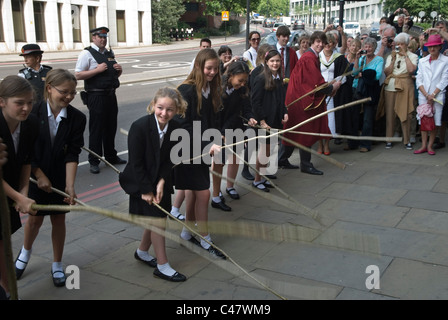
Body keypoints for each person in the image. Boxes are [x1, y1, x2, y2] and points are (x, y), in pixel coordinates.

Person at [14, 69, 86, 287]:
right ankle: (25, 253)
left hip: (58, 176)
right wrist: (38, 174)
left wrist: (70, 186)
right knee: (34, 218)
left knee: (58, 219)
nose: (69, 97)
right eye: (64, 92)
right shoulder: (31, 114)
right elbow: (24, 151)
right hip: (33, 175)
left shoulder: (77, 118)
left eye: (73, 93)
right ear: (49, 88)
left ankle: (57, 264)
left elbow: (73, 153)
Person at [119, 87, 187, 282]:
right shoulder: (139, 127)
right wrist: (147, 190)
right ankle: (162, 265)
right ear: (153, 105)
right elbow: (136, 163)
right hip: (141, 181)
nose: (164, 113)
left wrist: (163, 181)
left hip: (160, 180)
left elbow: (170, 160)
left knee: (157, 217)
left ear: (177, 110)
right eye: (160, 108)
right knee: (158, 221)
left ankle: (142, 251)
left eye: (170, 110)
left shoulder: (175, 128)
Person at [175, 48, 225, 259]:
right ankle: (205, 237)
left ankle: (187, 231)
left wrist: (216, 136)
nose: (212, 73)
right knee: (202, 193)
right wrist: (207, 143)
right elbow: (181, 125)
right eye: (208, 68)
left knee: (195, 193)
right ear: (198, 67)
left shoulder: (208, 90)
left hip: (200, 149)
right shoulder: (186, 91)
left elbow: (210, 121)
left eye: (215, 69)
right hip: (186, 150)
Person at [0, 75, 39, 299]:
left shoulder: (30, 123)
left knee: (5, 242)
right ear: (1, 101)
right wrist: (18, 196)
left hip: (10, 189)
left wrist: (23, 192)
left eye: (30, 102)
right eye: (19, 103)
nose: (26, 108)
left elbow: (26, 160)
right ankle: (7, 291)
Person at [282, 31, 342, 175]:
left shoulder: (310, 57)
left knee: (294, 131)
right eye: (317, 42)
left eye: (322, 42)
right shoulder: (309, 58)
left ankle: (281, 159)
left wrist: (328, 86)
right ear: (312, 42)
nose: (320, 45)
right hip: (301, 101)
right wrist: (332, 87)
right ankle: (305, 164)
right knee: (304, 132)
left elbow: (313, 81)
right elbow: (316, 83)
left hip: (297, 99)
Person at [75, 27, 125, 175]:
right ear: (93, 38)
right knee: (96, 129)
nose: (103, 39)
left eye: (104, 37)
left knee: (111, 127)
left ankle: (111, 156)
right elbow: (78, 75)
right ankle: (94, 160)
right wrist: (96, 70)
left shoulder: (109, 53)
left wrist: (119, 70)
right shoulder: (86, 53)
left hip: (110, 95)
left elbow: (113, 75)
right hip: (96, 96)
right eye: (100, 37)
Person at [211, 61, 256, 210]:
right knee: (219, 162)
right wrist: (221, 133)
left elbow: (246, 107)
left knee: (235, 157)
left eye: (245, 81)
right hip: (220, 130)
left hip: (235, 127)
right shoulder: (218, 89)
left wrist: (250, 117)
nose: (243, 84)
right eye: (240, 80)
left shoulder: (242, 89)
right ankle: (216, 196)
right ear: (230, 76)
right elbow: (215, 116)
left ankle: (230, 186)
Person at [251, 49, 288, 191]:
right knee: (264, 151)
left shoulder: (278, 78)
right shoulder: (261, 78)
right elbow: (255, 102)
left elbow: (281, 99)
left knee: (270, 149)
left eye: (278, 61)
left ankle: (263, 177)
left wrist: (284, 112)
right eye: (272, 61)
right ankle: (257, 180)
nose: (275, 63)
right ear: (266, 62)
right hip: (265, 121)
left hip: (275, 120)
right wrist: (261, 121)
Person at [242, 43, 275, 181]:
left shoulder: (271, 72)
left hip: (266, 112)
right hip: (256, 113)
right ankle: (245, 169)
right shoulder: (257, 72)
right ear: (263, 57)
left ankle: (263, 169)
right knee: (253, 142)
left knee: (267, 143)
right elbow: (253, 96)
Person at [380, 32, 418, 150]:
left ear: (407, 45)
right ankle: (389, 139)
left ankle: (407, 140)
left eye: (402, 44)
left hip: (405, 85)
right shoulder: (391, 56)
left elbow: (411, 70)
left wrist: (405, 56)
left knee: (406, 113)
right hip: (391, 86)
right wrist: (393, 59)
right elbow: (387, 72)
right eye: (398, 44)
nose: (399, 46)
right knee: (390, 114)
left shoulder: (412, 56)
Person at [414, 34, 448, 155]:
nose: (432, 49)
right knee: (424, 120)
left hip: (437, 95)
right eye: (430, 47)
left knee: (435, 120)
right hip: (424, 95)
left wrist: (433, 94)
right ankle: (423, 145)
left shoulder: (445, 61)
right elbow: (419, 78)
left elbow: (444, 79)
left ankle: (430, 146)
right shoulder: (422, 61)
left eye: (435, 46)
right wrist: (426, 94)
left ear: (440, 46)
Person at [317, 32, 347, 155]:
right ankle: (319, 144)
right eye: (326, 42)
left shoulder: (339, 57)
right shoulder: (317, 57)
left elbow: (343, 75)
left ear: (334, 44)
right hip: (319, 91)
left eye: (330, 42)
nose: (328, 44)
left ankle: (327, 145)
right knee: (319, 118)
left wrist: (334, 85)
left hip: (333, 92)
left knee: (330, 119)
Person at [353, 37, 384, 152]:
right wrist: (356, 59)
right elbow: (354, 73)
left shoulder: (379, 59)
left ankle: (365, 144)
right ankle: (353, 142)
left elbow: (377, 75)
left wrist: (362, 74)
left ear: (374, 48)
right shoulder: (361, 59)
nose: (368, 49)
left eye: (370, 47)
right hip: (359, 90)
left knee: (368, 118)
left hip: (371, 91)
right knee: (356, 116)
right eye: (366, 47)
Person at [340, 38, 362, 151]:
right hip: (344, 90)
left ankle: (353, 142)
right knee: (346, 115)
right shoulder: (343, 58)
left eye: (357, 46)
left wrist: (357, 59)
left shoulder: (360, 59)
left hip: (355, 89)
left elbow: (356, 73)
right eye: (353, 45)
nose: (354, 48)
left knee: (354, 116)